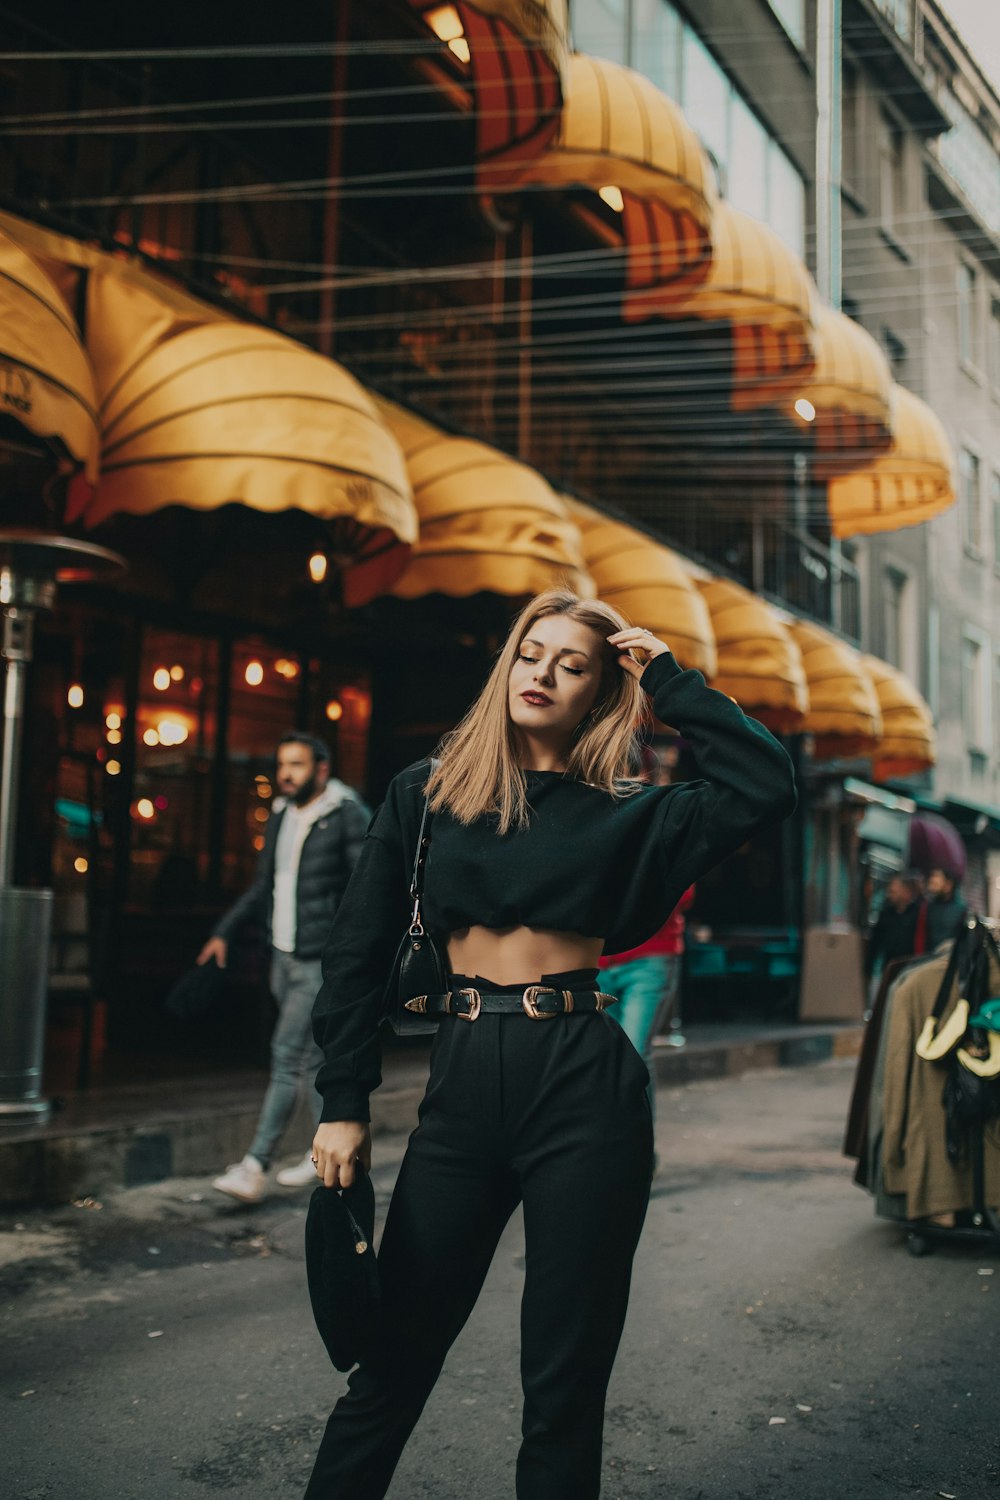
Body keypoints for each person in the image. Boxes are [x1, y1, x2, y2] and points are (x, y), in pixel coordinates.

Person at [306, 590, 796, 1500]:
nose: (545, 674)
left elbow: (766, 782)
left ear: (600, 693)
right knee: (393, 1360)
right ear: (508, 664)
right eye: (533, 653)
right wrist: (343, 1101)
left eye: (574, 666)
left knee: (564, 1384)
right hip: (460, 1090)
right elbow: (355, 952)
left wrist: (669, 679)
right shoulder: (427, 791)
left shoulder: (628, 811)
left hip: (585, 1088)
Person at [198, 733, 369, 1203]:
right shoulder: (279, 816)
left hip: (319, 960)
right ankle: (327, 1156)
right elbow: (263, 886)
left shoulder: (345, 814)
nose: (285, 774)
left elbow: (367, 887)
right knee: (312, 1060)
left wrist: (347, 952)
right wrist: (224, 932)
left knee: (286, 1054)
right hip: (283, 955)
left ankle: (254, 1165)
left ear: (321, 768)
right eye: (281, 765)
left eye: (295, 765)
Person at [599, 884, 695, 1121]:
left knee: (634, 1053)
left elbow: (683, 890)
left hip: (649, 956)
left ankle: (640, 1150)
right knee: (605, 1054)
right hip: (596, 960)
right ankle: (611, 1145)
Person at [864, 870, 925, 981]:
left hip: (911, 968)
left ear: (906, 891)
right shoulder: (886, 913)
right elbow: (875, 942)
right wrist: (868, 968)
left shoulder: (920, 914)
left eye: (893, 891)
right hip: (889, 967)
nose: (889, 893)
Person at [925, 865, 966, 950]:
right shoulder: (928, 907)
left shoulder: (961, 909)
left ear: (948, 884)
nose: (932, 880)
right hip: (929, 958)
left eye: (937, 878)